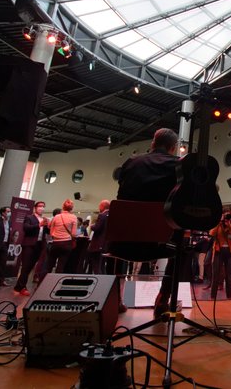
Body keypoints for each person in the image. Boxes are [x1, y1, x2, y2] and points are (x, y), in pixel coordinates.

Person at [116, 128, 180, 318]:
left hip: (123, 241)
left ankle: (116, 299)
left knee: (116, 237)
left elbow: (121, 198)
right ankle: (163, 299)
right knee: (182, 248)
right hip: (161, 242)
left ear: (153, 143)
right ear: (173, 147)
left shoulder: (130, 163)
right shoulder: (178, 165)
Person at [14, 201, 46, 296]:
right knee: (25, 266)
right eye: (40, 206)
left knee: (30, 267)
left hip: (39, 245)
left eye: (43, 206)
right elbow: (26, 228)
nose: (42, 208)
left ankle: (18, 286)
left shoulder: (43, 219)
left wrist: (48, 225)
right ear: (35, 208)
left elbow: (45, 232)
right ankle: (22, 287)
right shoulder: (29, 217)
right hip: (29, 244)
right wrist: (38, 225)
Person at [209, 212, 231, 299]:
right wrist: (218, 223)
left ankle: (229, 297)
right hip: (218, 251)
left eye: (227, 216)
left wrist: (229, 225)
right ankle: (213, 297)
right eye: (224, 215)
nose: (226, 217)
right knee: (215, 275)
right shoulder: (217, 225)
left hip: (230, 252)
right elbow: (211, 233)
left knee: (229, 277)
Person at [43, 199, 77, 276]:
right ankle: (56, 285)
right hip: (66, 244)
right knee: (60, 267)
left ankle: (41, 284)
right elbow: (74, 234)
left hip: (55, 243)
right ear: (72, 208)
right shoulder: (74, 217)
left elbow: (50, 228)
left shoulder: (56, 217)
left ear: (63, 207)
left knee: (49, 265)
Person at [86, 199, 111, 274]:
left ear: (102, 206)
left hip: (97, 245)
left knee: (96, 266)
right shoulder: (111, 215)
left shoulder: (102, 215)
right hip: (105, 244)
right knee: (102, 265)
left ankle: (99, 282)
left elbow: (97, 228)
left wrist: (92, 226)